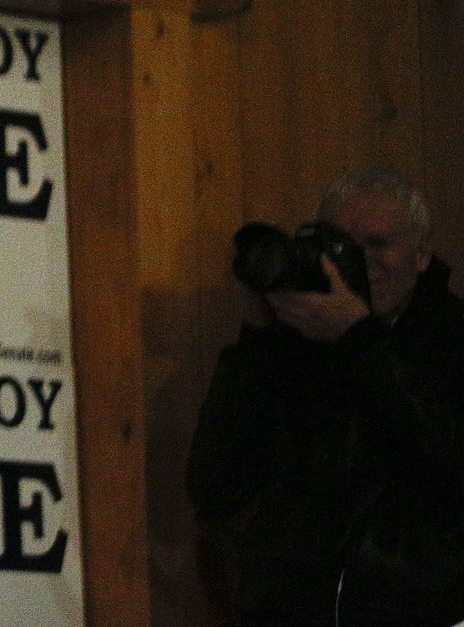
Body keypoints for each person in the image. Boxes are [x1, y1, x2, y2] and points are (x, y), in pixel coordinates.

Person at [186, 165, 464, 626]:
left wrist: (358, 339)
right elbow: (214, 486)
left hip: (418, 610)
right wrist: (259, 339)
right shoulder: (293, 343)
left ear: (421, 254)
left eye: (378, 244)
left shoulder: (452, 337)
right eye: (339, 244)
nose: (357, 260)